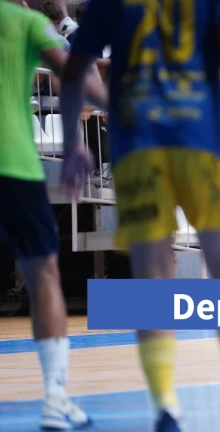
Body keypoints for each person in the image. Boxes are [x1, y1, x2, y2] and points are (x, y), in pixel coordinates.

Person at [58, 0, 220, 430]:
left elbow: (75, 67)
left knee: (152, 278)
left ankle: (165, 405)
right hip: (202, 139)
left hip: (138, 146)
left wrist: (71, 142)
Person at [0, 0, 106, 429]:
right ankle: (55, 400)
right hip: (13, 164)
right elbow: (74, 72)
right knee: (43, 275)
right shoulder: (24, 21)